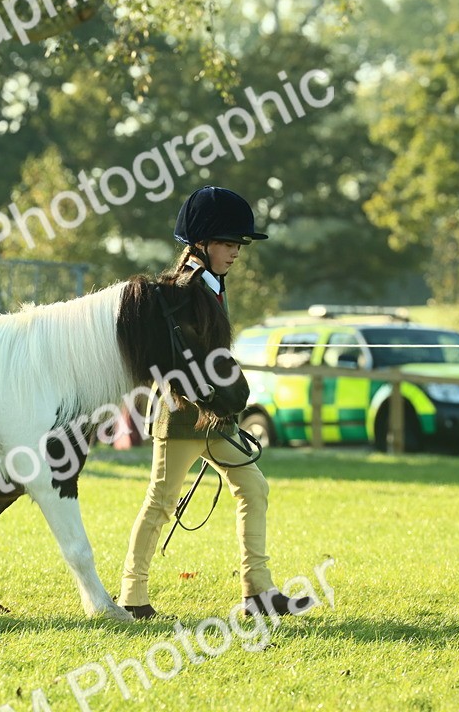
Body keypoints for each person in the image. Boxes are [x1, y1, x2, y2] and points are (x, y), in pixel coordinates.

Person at [118, 186, 315, 619]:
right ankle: (132, 598)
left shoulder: (210, 284)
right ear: (201, 243)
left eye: (238, 244)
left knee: (253, 487)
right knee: (160, 503)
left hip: (217, 418)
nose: (235, 252)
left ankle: (258, 593)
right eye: (227, 243)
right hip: (185, 417)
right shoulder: (181, 289)